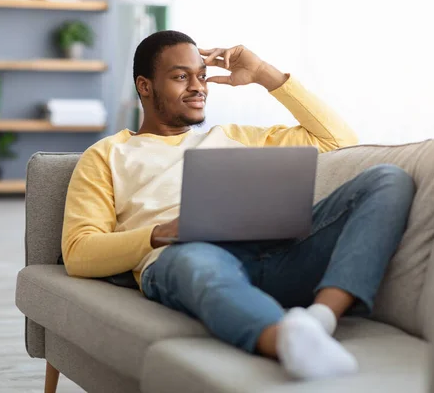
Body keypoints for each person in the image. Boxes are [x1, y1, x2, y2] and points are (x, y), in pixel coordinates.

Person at [61, 30, 415, 380]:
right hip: (188, 258)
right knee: (192, 258)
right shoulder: (108, 155)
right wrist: (158, 235)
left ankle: (319, 319)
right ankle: (284, 341)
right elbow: (78, 251)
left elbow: (338, 140)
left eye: (201, 76)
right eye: (181, 77)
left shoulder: (233, 136)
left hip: (276, 255)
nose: (198, 87)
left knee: (388, 180)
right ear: (145, 86)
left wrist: (263, 73)